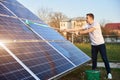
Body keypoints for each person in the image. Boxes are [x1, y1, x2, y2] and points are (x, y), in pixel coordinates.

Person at [65, 13, 112, 79]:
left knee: (104, 59)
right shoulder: (87, 25)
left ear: (91, 18)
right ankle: (93, 72)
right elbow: (79, 28)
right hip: (93, 45)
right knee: (94, 60)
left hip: (101, 44)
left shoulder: (96, 24)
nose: (86, 19)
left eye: (87, 18)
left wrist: (79, 33)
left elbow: (89, 30)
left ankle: (109, 73)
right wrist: (68, 30)